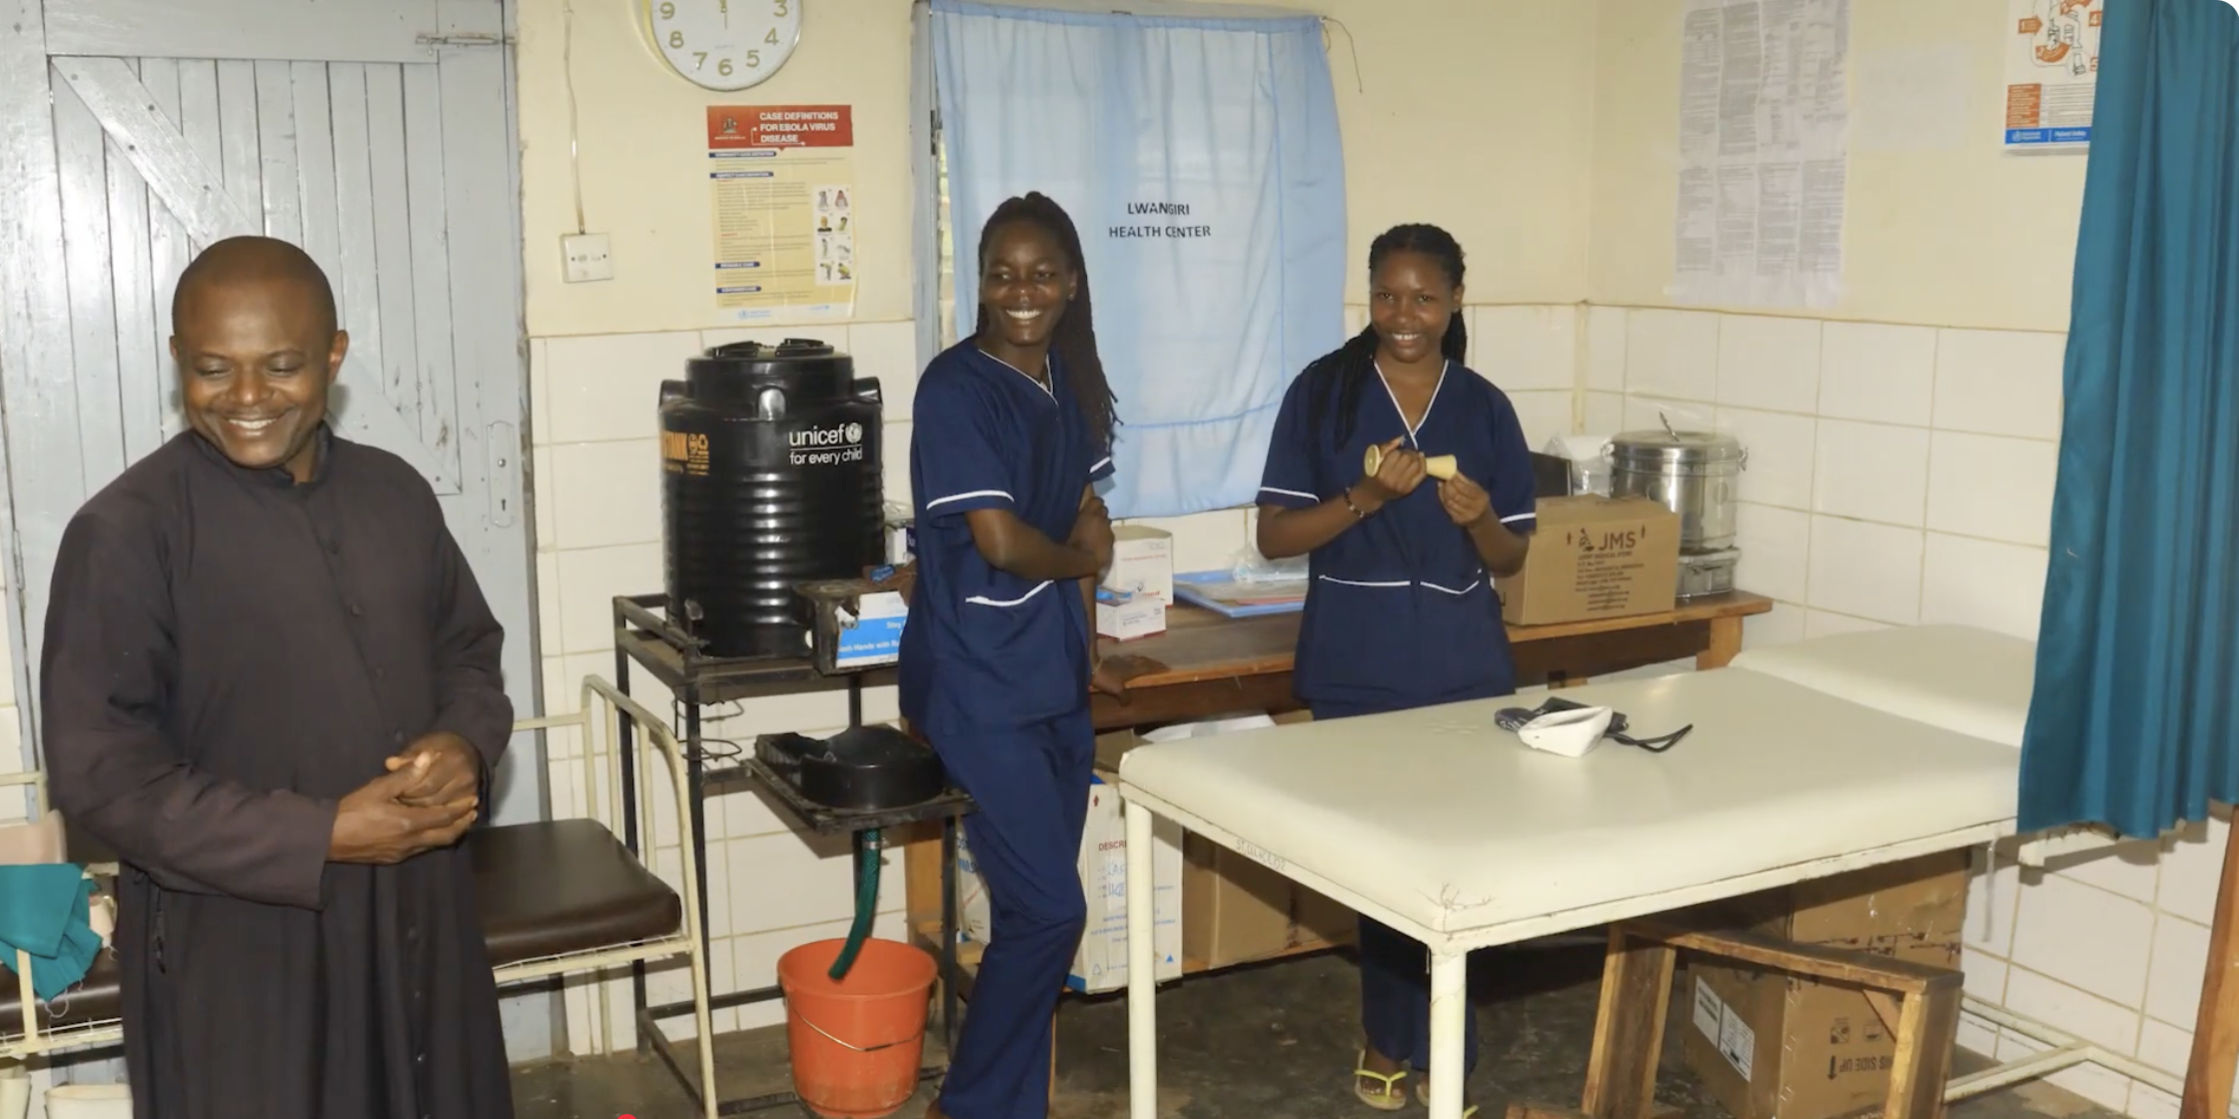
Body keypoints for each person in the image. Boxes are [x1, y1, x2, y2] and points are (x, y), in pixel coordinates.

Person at [41, 235, 517, 1118]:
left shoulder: (396, 493)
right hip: (242, 949)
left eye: (283, 365)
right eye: (215, 369)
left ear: (334, 356)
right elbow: (103, 778)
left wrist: (464, 743)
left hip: (421, 913)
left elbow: (469, 650)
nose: (249, 398)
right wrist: (323, 832)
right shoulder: (125, 533)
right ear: (179, 360)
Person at [1253, 223, 1537, 1118]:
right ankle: (1386, 1038)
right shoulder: (1325, 395)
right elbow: (1272, 534)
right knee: (1381, 870)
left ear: (1455, 301)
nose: (1402, 315)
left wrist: (1478, 515)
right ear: (1368, 297)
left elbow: (1510, 556)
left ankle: (1453, 1041)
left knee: (1462, 859)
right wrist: (1365, 497)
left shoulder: (1484, 407)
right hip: (1358, 662)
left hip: (1460, 663)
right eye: (1385, 295)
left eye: (1422, 297)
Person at [899, 191, 1154, 1119]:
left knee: (1030, 915)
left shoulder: (1069, 384)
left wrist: (1086, 641)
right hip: (975, 680)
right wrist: (1084, 553)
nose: (1021, 290)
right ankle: (966, 1105)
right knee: (1053, 911)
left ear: (1071, 283)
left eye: (1042, 273)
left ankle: (1009, 1103)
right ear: (980, 282)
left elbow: (1088, 509)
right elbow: (1004, 542)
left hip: (1049, 676)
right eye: (1002, 273)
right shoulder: (955, 387)